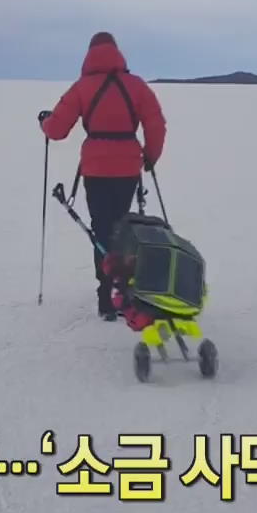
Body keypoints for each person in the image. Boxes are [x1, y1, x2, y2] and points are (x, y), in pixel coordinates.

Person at [38, 32, 167, 320]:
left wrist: (45, 123)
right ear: (117, 53)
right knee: (122, 227)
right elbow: (156, 124)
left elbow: (57, 130)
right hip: (128, 168)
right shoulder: (136, 86)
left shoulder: (82, 87)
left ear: (89, 54)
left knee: (102, 229)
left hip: (96, 169)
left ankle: (106, 295)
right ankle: (125, 288)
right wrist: (150, 156)